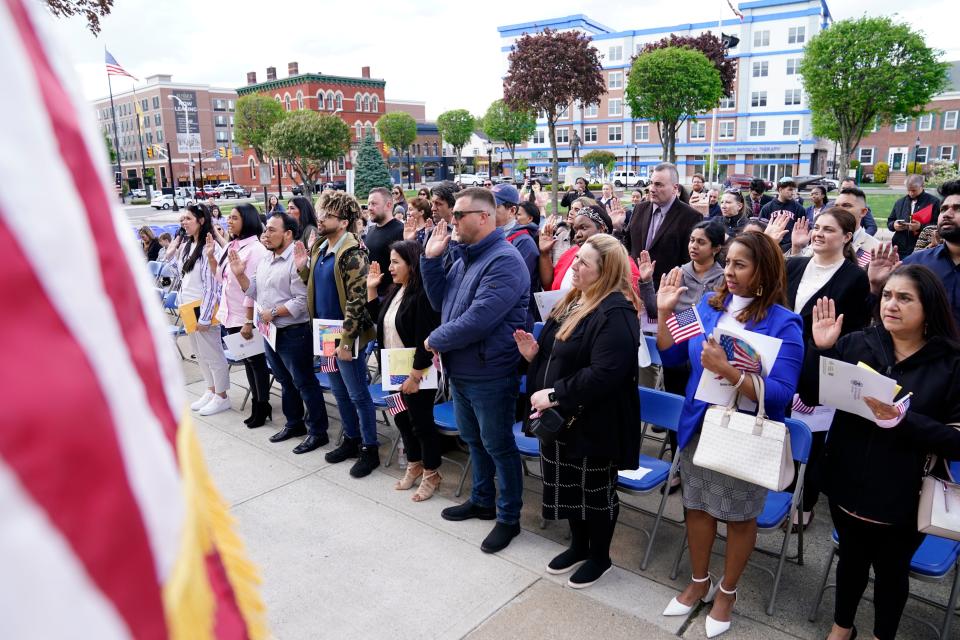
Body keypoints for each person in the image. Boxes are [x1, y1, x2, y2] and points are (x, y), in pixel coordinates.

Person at [799, 266, 960, 640]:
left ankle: (881, 634)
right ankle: (842, 627)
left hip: (904, 493)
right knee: (851, 561)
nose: (891, 304)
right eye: (887, 295)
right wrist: (820, 350)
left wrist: (901, 420)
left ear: (928, 307)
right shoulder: (858, 344)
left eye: (904, 298)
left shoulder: (950, 364)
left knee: (891, 571)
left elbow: (956, 440)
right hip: (846, 482)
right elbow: (810, 395)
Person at [656, 231, 803, 639]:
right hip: (700, 424)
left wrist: (730, 372)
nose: (730, 273)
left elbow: (781, 394)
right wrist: (665, 312)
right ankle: (699, 580)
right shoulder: (708, 304)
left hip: (744, 433)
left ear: (764, 271)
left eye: (740, 265)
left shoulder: (784, 324)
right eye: (730, 263)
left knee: (739, 516)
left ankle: (727, 591)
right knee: (698, 507)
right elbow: (671, 355)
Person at [513, 234, 641, 588]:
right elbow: (559, 354)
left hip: (593, 422)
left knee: (595, 493)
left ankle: (600, 557)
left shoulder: (616, 312)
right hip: (560, 420)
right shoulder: (574, 299)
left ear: (605, 271)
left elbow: (605, 373)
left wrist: (554, 393)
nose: (574, 266)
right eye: (576, 259)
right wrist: (534, 357)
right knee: (567, 486)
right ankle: (579, 546)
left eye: (584, 263)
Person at [420, 187, 530, 553]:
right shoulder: (465, 256)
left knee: (498, 445)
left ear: (484, 217)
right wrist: (431, 260)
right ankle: (482, 500)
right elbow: (441, 302)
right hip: (463, 370)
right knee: (473, 442)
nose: (451, 222)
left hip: (490, 373)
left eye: (458, 216)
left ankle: (508, 518)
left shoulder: (504, 260)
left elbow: (478, 319)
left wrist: (435, 339)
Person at [784, 208, 871, 530]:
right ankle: (780, 488)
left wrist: (823, 354)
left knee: (812, 438)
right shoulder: (793, 264)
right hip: (785, 359)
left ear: (847, 237)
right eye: (817, 227)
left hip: (821, 365)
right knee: (781, 428)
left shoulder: (853, 277)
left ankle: (804, 501)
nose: (819, 233)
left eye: (829, 230)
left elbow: (854, 331)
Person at [230, 212, 330, 453]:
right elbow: (253, 291)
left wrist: (274, 311)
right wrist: (240, 274)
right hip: (270, 331)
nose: (266, 234)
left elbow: (302, 301)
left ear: (288, 234)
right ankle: (294, 423)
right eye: (266, 230)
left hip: (294, 333)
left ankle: (318, 432)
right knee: (285, 381)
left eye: (272, 230)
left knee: (304, 382)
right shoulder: (266, 259)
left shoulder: (296, 262)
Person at [297, 191, 379, 472]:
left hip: (346, 336)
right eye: (321, 213)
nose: (320, 219)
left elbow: (357, 300)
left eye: (328, 215)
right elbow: (318, 284)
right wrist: (302, 270)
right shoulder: (320, 247)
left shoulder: (353, 252)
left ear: (343, 222)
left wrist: (347, 341)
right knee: (339, 393)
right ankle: (351, 438)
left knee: (358, 394)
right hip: (325, 334)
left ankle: (370, 448)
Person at [365, 240, 443, 501]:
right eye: (390, 261)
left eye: (396, 262)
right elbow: (381, 323)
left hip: (416, 372)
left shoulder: (422, 296)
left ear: (412, 263)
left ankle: (432, 473)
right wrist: (371, 291)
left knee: (421, 424)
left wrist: (415, 376)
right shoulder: (395, 290)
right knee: (401, 420)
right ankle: (415, 464)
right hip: (393, 369)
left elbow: (426, 338)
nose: (390, 267)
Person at [211, 204, 271, 428]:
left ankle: (262, 405)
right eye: (229, 217)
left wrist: (248, 321)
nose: (229, 221)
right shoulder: (232, 245)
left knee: (256, 363)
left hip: (245, 316)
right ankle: (257, 402)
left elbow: (254, 289)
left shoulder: (255, 249)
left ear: (247, 220)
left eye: (234, 218)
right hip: (230, 314)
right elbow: (222, 278)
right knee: (247, 361)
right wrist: (211, 258)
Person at [175, 204, 231, 417]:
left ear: (200, 220)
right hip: (188, 306)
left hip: (203, 308)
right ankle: (211, 389)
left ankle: (222, 396)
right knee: (200, 354)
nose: (184, 222)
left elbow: (211, 286)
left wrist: (206, 316)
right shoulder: (188, 245)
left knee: (213, 353)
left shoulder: (211, 247)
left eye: (188, 218)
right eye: (182, 219)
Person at [624, 162, 704, 285]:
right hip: (633, 286)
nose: (651, 189)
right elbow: (627, 245)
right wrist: (618, 227)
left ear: (675, 188)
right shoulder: (639, 209)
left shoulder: (691, 217)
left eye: (658, 185)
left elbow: (690, 261)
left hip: (666, 291)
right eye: (651, 183)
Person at [899, 179, 960, 327]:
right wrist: (876, 285)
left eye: (957, 208)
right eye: (943, 209)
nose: (947, 214)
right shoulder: (915, 264)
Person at [540, 203, 641, 293]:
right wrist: (544, 254)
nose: (577, 235)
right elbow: (550, 286)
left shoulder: (621, 261)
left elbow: (630, 299)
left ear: (602, 229)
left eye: (583, 228)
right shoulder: (571, 253)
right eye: (575, 230)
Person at [492, 183, 540, 326]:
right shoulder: (489, 235)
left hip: (514, 323)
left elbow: (512, 287)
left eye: (494, 206)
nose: (487, 210)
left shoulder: (524, 241)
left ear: (512, 210)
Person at [887, 174, 941, 258]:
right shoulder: (899, 202)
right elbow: (890, 221)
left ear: (922, 186)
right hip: (900, 248)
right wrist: (894, 225)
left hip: (923, 248)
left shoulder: (934, 202)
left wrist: (920, 226)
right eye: (908, 190)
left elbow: (938, 225)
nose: (911, 193)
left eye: (914, 190)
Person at [364, 187, 405, 297]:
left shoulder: (401, 231)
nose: (369, 208)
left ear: (388, 205)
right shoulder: (371, 230)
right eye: (368, 204)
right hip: (371, 294)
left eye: (374, 204)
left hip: (390, 296)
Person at [759, 177, 807, 251]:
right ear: (780, 189)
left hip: (791, 248)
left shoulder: (799, 208)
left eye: (794, 189)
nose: (793, 192)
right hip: (772, 246)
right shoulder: (767, 208)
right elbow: (761, 229)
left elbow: (803, 229)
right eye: (790, 189)